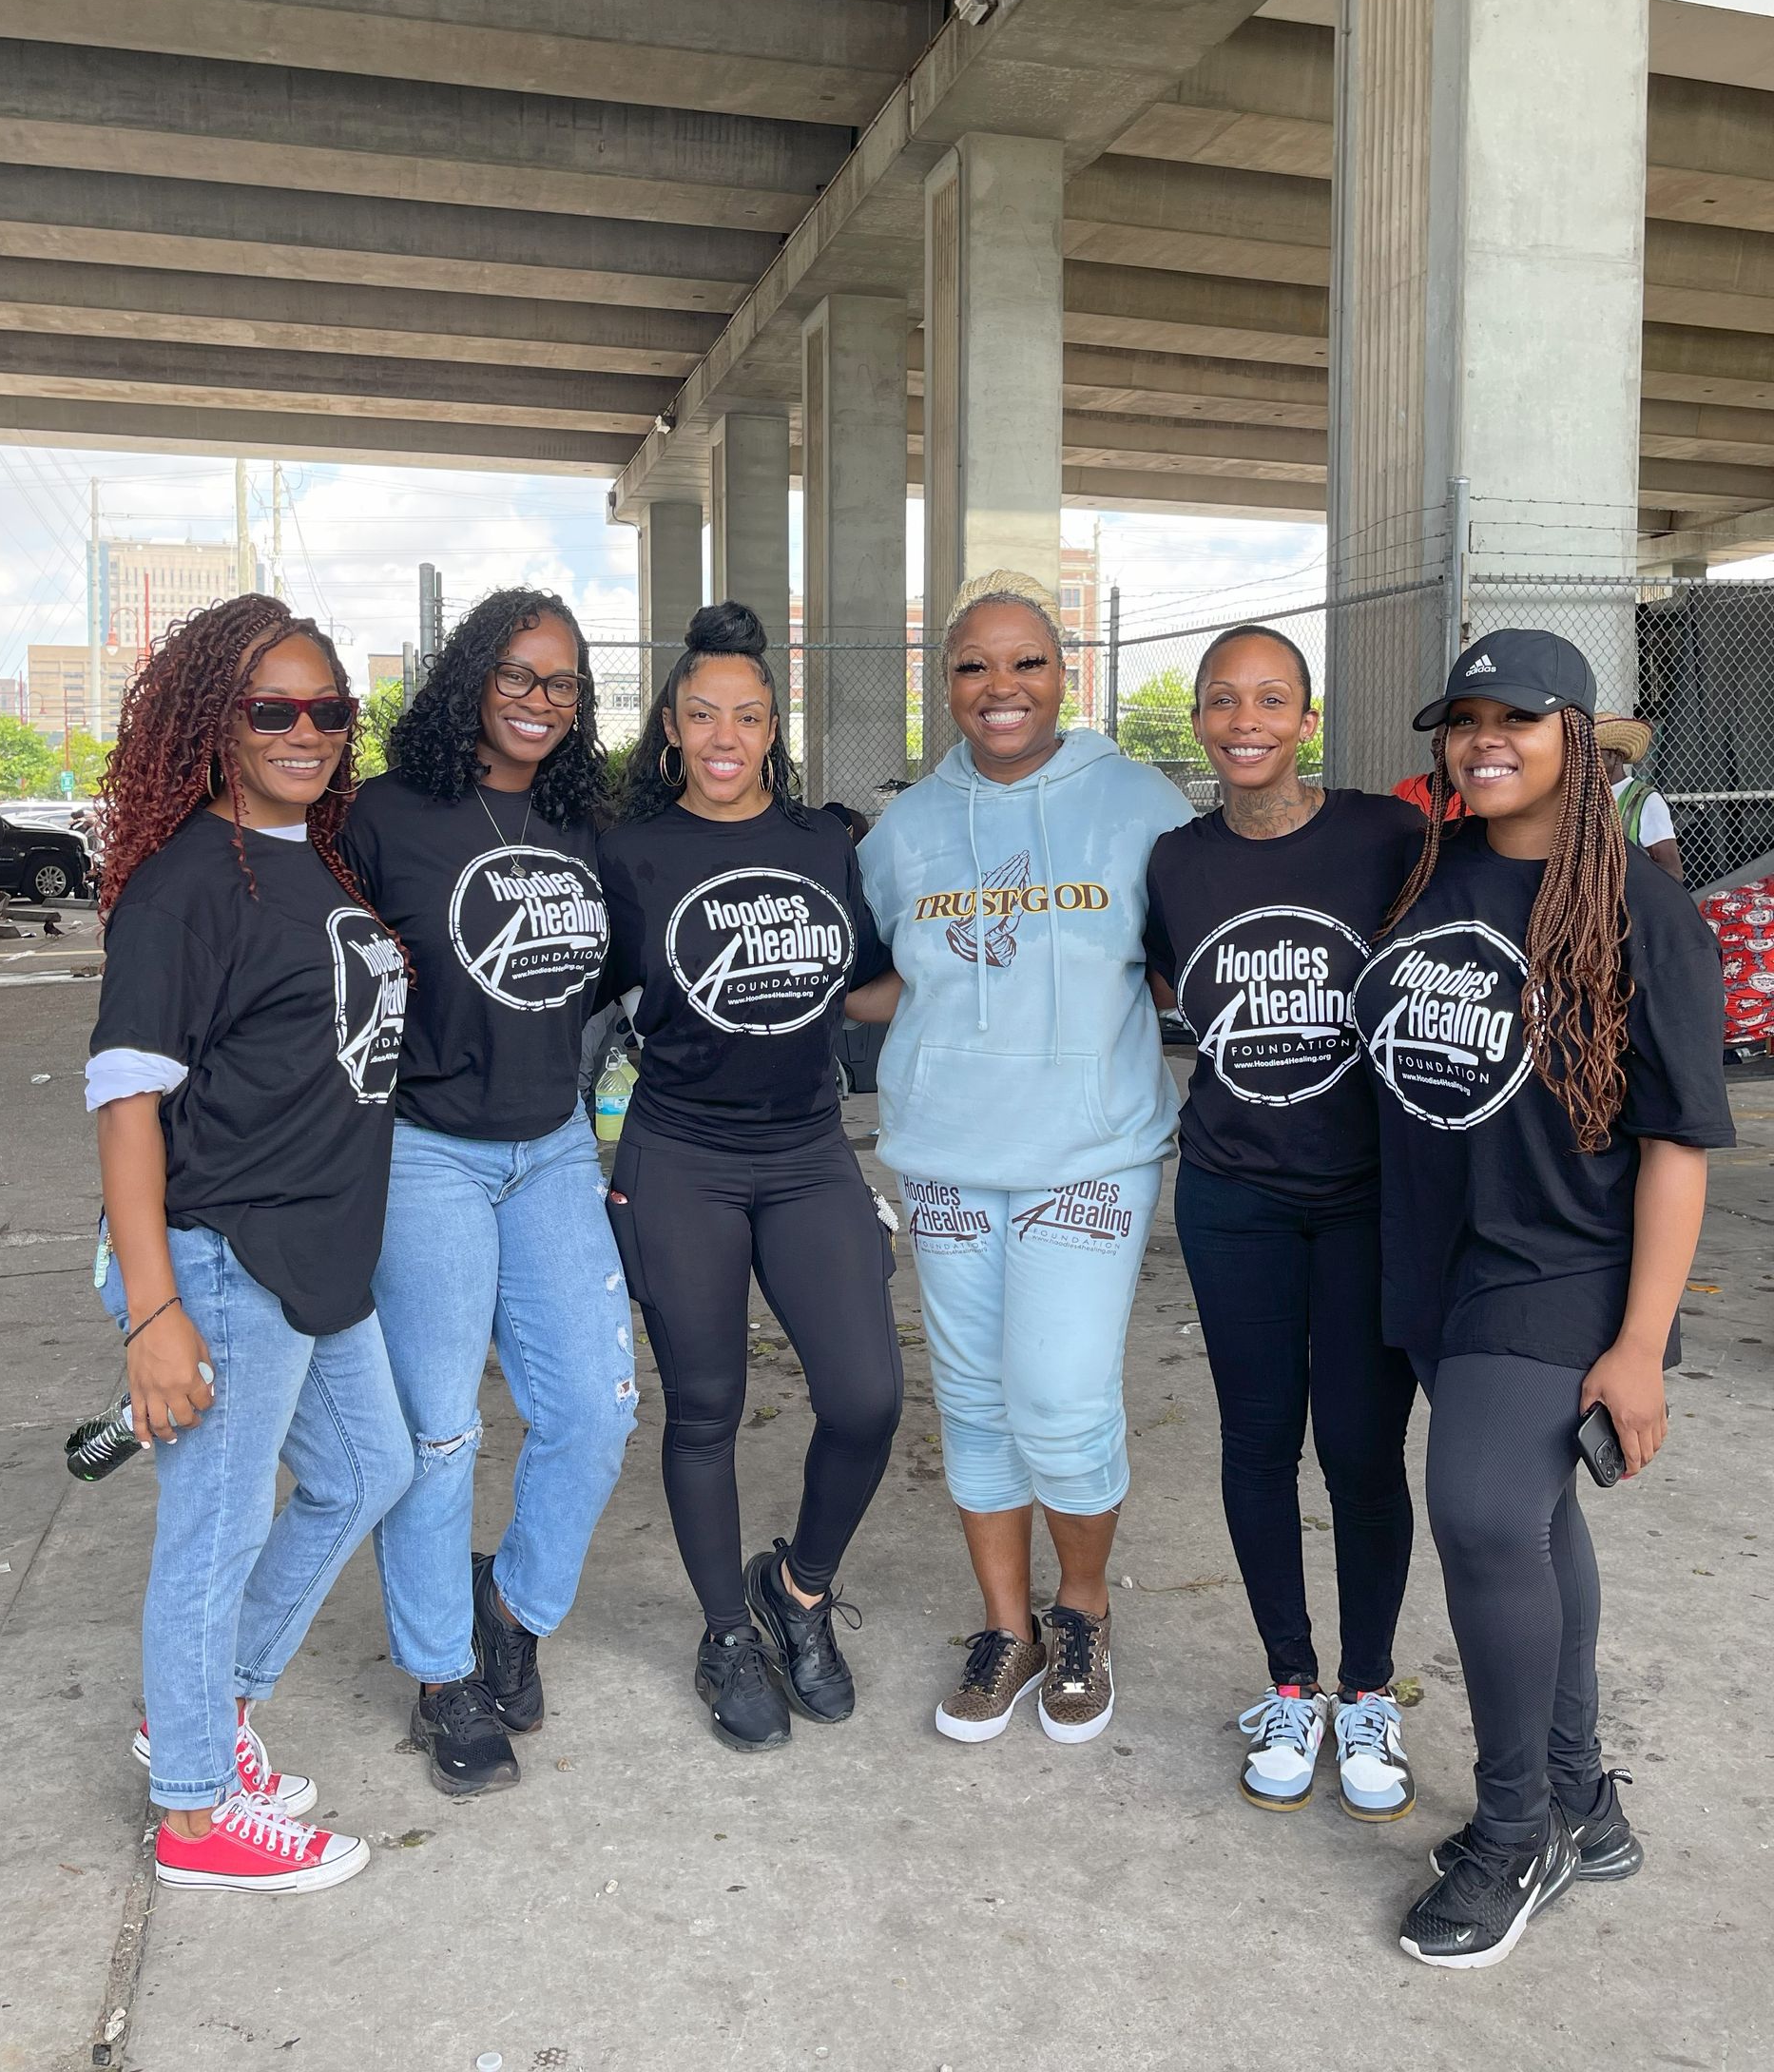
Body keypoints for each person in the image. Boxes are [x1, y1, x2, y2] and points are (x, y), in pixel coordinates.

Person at [1351, 629, 1732, 1968]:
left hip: (1564, 1265)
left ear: (1579, 738)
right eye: (1461, 719)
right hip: (1438, 1257)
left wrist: (1639, 1345)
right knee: (1531, 1520)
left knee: (1478, 1515)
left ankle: (1519, 1835)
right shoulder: (1426, 874)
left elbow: (1680, 1144)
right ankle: (1583, 1795)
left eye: (1515, 715)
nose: (1483, 738)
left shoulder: (1644, 909)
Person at [88, 593, 413, 1894]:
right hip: (225, 1261)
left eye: (328, 709)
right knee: (213, 1535)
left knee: (368, 1469)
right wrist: (154, 1315)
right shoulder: (184, 888)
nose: (304, 730)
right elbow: (126, 1105)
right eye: (270, 709)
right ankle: (194, 1814)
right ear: (212, 723)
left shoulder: (305, 860)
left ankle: (203, 1715)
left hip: (317, 1256)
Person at [854, 571, 1193, 1746]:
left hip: (1089, 1149)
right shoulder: (903, 829)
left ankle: (1084, 1606)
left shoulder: (1139, 801)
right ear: (943, 684)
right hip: (946, 1149)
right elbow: (891, 973)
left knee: (1059, 1391)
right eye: (973, 666)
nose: (1001, 687)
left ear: (1066, 675)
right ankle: (1008, 1627)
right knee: (979, 1402)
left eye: (1027, 662)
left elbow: (1179, 957)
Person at [341, 587, 635, 1797]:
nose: (540, 702)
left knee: (598, 1408)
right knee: (441, 1428)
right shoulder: (380, 816)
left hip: (554, 1141)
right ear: (469, 677)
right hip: (427, 1149)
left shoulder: (581, 817)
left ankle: (511, 1607)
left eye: (563, 684)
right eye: (518, 675)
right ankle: (437, 1672)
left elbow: (611, 974)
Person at [596, 602, 902, 1752]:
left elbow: (870, 984)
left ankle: (800, 1591)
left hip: (809, 1150)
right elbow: (564, 993)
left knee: (869, 1397)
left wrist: (969, 972)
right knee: (708, 1405)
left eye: (748, 714)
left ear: (775, 726)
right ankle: (727, 1630)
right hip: (681, 1156)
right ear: (671, 728)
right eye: (702, 714)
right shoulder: (629, 852)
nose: (725, 735)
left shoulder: (828, 841)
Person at [1144, 625, 1423, 1817]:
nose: (1245, 720)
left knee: (1361, 1449)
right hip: (1234, 1194)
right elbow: (1168, 984)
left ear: (1307, 718)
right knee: (1257, 1441)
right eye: (1222, 700)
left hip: (1370, 1198)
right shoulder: (1175, 861)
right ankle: (1292, 1680)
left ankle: (1368, 1692)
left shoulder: (1389, 837)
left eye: (1271, 699)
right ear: (1200, 721)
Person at [1596, 714, 1683, 880]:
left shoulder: (1646, 800)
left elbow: (1673, 872)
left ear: (1617, 757)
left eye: (1596, 751)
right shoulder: (1577, 798)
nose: (1587, 759)